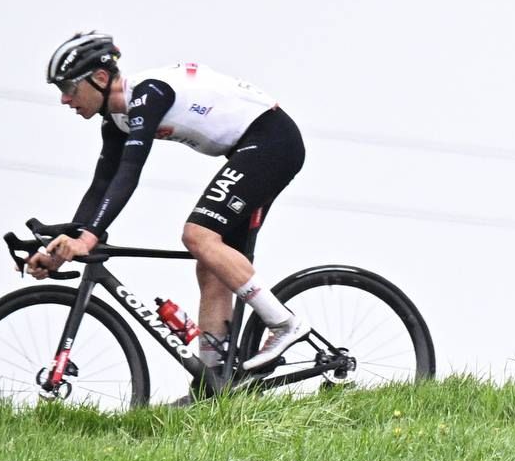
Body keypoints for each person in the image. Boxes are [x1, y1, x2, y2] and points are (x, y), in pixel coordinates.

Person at [29, 32, 310, 381]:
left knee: (197, 235)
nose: (64, 99)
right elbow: (101, 186)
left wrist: (88, 239)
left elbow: (129, 173)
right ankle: (214, 387)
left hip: (272, 140)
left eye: (68, 87)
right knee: (209, 265)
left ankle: (284, 323)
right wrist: (64, 245)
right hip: (250, 148)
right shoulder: (116, 120)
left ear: (100, 78)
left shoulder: (148, 94)